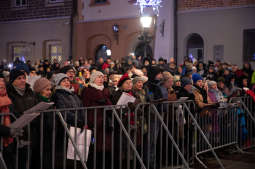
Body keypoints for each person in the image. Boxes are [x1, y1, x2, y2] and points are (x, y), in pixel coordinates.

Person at [6, 69, 38, 169]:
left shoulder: (30, 92)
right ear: (12, 81)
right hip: (16, 134)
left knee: (28, 162)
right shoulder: (9, 94)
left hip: (30, 133)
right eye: (19, 78)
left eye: (24, 78)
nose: (23, 80)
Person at [52, 73, 85, 168]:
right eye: (63, 81)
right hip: (67, 129)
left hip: (77, 127)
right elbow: (64, 112)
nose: (67, 82)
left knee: (77, 155)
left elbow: (81, 107)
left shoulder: (73, 94)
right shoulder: (58, 95)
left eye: (67, 80)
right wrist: (78, 120)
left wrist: (82, 119)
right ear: (58, 83)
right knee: (68, 156)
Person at [82, 71, 113, 169]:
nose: (101, 79)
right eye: (98, 77)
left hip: (104, 124)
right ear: (93, 79)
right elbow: (86, 106)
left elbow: (109, 105)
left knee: (105, 149)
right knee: (94, 149)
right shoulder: (88, 90)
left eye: (102, 77)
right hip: (94, 123)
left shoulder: (105, 90)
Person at [33, 77, 53, 169]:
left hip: (47, 139)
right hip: (39, 140)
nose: (50, 92)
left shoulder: (49, 102)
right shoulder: (36, 103)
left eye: (50, 89)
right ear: (40, 90)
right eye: (47, 89)